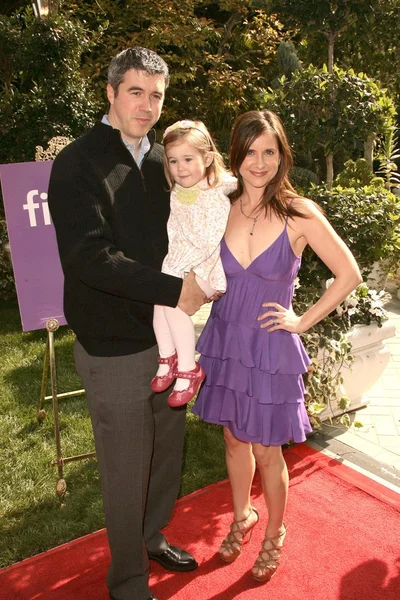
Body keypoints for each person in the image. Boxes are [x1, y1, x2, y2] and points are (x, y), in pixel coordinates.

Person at [48, 47, 205, 600]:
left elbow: (194, 230)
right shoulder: (77, 163)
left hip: (168, 338)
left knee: (166, 454)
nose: (146, 105)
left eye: (156, 94)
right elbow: (90, 258)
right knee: (126, 468)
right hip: (113, 344)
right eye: (135, 91)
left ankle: (152, 535)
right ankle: (128, 582)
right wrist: (176, 292)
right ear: (111, 93)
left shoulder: (169, 164)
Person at [193, 110, 362, 584]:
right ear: (237, 155)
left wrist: (300, 321)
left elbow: (347, 274)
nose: (259, 162)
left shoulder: (300, 213)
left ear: (282, 156)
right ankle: (242, 515)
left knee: (267, 450)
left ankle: (274, 531)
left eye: (269, 151)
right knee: (232, 439)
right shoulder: (220, 208)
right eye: (250, 152)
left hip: (269, 348)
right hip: (227, 340)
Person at [151, 119, 236, 407]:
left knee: (174, 305)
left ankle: (189, 368)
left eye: (188, 159)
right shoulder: (179, 192)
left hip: (206, 264)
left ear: (208, 158)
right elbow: (175, 231)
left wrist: (188, 271)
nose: (180, 167)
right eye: (173, 160)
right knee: (159, 303)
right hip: (180, 263)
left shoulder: (213, 193)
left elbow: (210, 237)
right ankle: (168, 358)